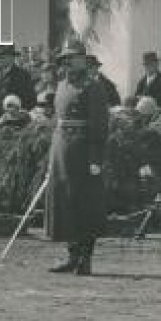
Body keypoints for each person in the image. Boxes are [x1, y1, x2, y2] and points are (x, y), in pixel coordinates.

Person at [45, 39, 109, 276]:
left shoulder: (93, 88)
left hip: (83, 152)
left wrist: (95, 158)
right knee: (66, 203)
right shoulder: (61, 86)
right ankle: (72, 255)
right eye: (70, 59)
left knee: (86, 204)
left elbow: (100, 126)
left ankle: (86, 259)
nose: (73, 62)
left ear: (85, 61)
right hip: (62, 151)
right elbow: (57, 122)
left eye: (78, 58)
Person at [0, 44, 34, 117]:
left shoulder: (22, 75)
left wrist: (21, 114)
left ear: (12, 58)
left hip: (15, 117)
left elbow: (30, 99)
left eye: (2, 57)